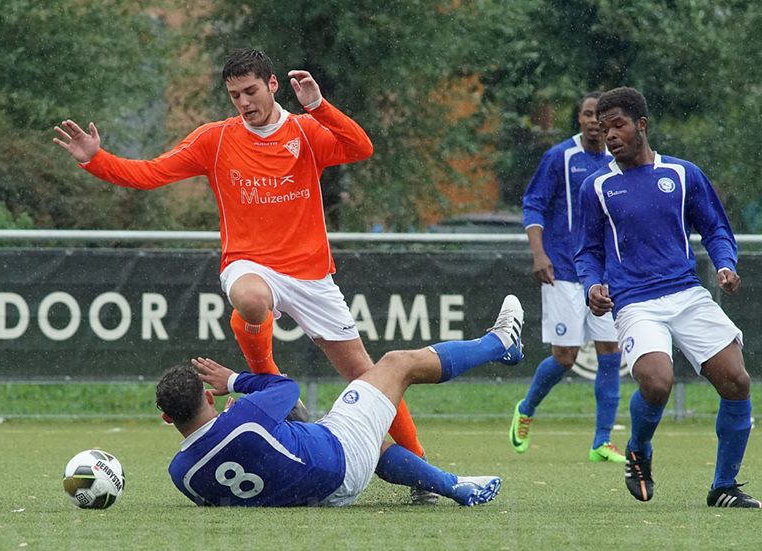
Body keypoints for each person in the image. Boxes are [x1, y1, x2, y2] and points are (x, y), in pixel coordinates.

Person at [54, 47, 434, 501]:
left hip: (312, 276)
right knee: (251, 300)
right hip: (249, 265)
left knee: (369, 379)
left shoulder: (306, 132)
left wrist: (318, 105)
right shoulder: (214, 140)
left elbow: (361, 147)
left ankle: (423, 476)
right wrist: (95, 159)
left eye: (251, 91)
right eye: (235, 95)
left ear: (272, 86)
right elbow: (150, 174)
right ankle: (268, 374)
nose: (244, 102)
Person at [157, 295, 523, 507]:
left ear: (167, 418)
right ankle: (501, 342)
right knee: (397, 364)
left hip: (320, 495)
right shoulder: (245, 417)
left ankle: (445, 484)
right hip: (338, 457)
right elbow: (287, 389)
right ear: (208, 394)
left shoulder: (180, 474)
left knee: (375, 444)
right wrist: (235, 381)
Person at [574, 86, 758, 508]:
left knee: (736, 381)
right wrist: (592, 286)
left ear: (641, 124)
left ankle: (723, 487)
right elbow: (587, 251)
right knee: (657, 382)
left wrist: (726, 264)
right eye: (603, 130)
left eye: (617, 125)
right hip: (634, 300)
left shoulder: (682, 174)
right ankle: (638, 449)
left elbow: (714, 228)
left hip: (686, 293)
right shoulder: (598, 187)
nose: (610, 136)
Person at [510, 92, 624, 463]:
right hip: (562, 269)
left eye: (601, 117)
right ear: (579, 119)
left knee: (610, 350)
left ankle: (602, 441)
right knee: (565, 357)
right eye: (589, 114)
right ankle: (525, 409)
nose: (595, 121)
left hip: (604, 273)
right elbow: (534, 204)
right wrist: (538, 253)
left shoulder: (617, 160)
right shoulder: (560, 157)